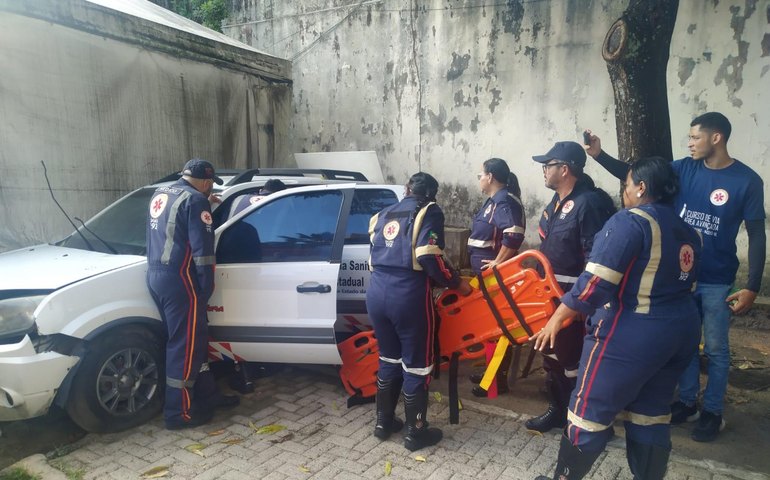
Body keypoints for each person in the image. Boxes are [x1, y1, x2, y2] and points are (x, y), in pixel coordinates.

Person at [585, 112, 766, 442]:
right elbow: (639, 178)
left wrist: (752, 285)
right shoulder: (683, 168)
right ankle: (687, 402)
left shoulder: (747, 180)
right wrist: (599, 156)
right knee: (683, 344)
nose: (690, 143)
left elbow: (756, 233)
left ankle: (712, 412)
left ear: (716, 138)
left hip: (715, 280)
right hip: (680, 277)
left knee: (716, 350)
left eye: (696, 137)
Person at [531, 156, 702, 480]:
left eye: (625, 186)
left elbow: (594, 285)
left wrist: (557, 317)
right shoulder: (687, 231)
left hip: (633, 332)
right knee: (651, 411)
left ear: (640, 187)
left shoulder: (630, 221)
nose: (623, 193)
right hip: (681, 329)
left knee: (587, 409)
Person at [366, 172, 472, 451]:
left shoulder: (383, 213)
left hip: (376, 293)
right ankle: (416, 432)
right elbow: (428, 255)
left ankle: (383, 423)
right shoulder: (429, 210)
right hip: (408, 295)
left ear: (406, 189)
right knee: (417, 364)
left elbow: (373, 256)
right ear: (432, 195)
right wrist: (456, 283)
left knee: (388, 358)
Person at [526, 141, 615, 433]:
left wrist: (582, 303)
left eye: (547, 166)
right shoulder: (556, 203)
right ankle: (557, 410)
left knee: (574, 361)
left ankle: (582, 420)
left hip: (572, 298)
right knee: (550, 353)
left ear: (564, 170)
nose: (543, 171)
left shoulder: (588, 203)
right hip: (547, 296)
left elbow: (595, 259)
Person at [146, 159, 239, 430]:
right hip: (182, 279)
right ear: (208, 182)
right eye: (210, 185)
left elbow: (175, 230)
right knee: (184, 347)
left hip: (156, 275)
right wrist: (205, 289)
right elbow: (203, 252)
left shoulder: (162, 193)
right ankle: (179, 414)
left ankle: (208, 396)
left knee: (194, 341)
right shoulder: (196, 201)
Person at [466, 158, 526, 397]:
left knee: (500, 330)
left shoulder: (504, 202)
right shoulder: (493, 201)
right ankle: (490, 374)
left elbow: (513, 235)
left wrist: (499, 262)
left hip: (495, 277)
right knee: (489, 329)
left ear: (490, 176)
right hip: (485, 276)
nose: (479, 179)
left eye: (480, 174)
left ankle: (495, 382)